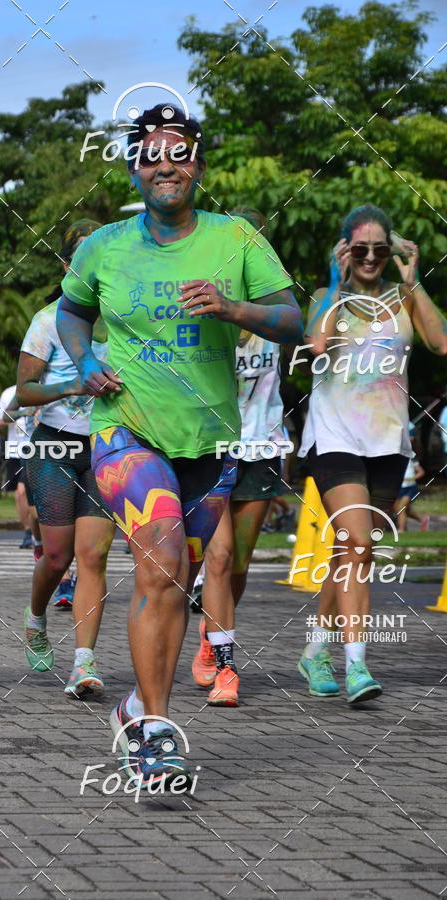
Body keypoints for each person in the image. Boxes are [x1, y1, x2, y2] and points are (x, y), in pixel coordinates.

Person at [57, 105, 302, 788]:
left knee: (177, 578)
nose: (166, 165)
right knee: (162, 561)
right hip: (124, 428)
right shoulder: (103, 245)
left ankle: (137, 705)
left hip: (209, 440)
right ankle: (155, 735)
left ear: (198, 164)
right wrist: (84, 362)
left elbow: (294, 319)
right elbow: (72, 311)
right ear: (135, 168)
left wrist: (233, 308)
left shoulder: (237, 238)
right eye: (152, 154)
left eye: (180, 153)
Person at [296, 205, 447, 703]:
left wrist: (414, 280)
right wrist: (335, 284)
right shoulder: (326, 297)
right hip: (334, 437)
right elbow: (318, 345)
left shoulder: (403, 297)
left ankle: (315, 650)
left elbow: (441, 343)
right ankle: (357, 664)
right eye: (359, 248)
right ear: (344, 250)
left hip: (387, 441)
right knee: (358, 544)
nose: (370, 257)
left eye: (379, 249)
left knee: (350, 552)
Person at [191, 211, 294, 708]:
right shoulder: (204, 303)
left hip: (263, 448)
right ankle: (226, 667)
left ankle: (211, 636)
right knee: (219, 556)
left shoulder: (275, 313)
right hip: (214, 446)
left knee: (238, 566)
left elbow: (309, 332)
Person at [17, 219, 115, 698]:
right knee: (57, 555)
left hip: (107, 446)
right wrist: (72, 385)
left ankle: (83, 663)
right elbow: (24, 391)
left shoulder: (124, 318)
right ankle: (36, 617)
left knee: (92, 555)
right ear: (65, 264)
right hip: (54, 445)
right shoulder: (47, 320)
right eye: (80, 257)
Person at [0, 386, 37, 548]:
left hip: (40, 450)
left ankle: (37, 534)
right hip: (15, 451)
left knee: (26, 493)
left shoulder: (48, 385)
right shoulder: (9, 393)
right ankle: (28, 533)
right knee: (20, 494)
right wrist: (21, 414)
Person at [394, 427, 429, 532]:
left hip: (409, 488)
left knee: (401, 508)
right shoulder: (394, 456)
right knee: (402, 510)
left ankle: (401, 530)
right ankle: (422, 520)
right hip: (399, 488)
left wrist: (411, 479)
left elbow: (421, 472)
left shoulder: (411, 456)